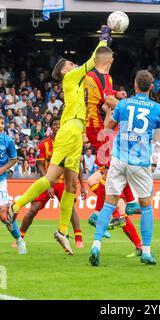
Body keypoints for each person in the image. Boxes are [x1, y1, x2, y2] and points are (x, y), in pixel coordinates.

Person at [6, 25, 113, 255]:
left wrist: (106, 45)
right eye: (70, 64)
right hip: (69, 131)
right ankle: (14, 208)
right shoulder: (72, 77)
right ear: (65, 71)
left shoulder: (76, 82)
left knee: (72, 185)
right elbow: (94, 60)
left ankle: (62, 232)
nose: (74, 66)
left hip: (76, 132)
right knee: (52, 177)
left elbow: (98, 65)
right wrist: (103, 39)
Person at [89, 70, 160, 266]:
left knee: (108, 204)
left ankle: (96, 245)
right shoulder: (157, 108)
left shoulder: (123, 104)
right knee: (146, 207)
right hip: (140, 162)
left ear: (135, 85)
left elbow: (108, 126)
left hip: (119, 159)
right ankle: (146, 252)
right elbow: (156, 137)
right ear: (151, 87)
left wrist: (109, 112)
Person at [83, 46, 143, 257]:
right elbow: (108, 102)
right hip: (99, 128)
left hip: (92, 127)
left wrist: (116, 95)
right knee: (112, 174)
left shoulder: (90, 75)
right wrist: (129, 106)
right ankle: (107, 210)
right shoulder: (105, 77)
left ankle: (137, 243)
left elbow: (105, 97)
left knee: (104, 180)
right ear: (110, 60)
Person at [18, 117, 86, 248]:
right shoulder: (44, 144)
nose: (57, 127)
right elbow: (39, 165)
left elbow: (77, 165)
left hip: (63, 182)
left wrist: (83, 185)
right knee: (34, 208)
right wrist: (48, 183)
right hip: (48, 180)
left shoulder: (71, 143)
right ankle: (20, 237)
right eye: (54, 125)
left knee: (71, 208)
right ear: (51, 128)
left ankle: (79, 239)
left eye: (59, 125)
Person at [0, 115, 26, 254]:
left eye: (2, 122)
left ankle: (19, 240)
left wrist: (2, 169)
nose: (1, 124)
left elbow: (14, 159)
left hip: (1, 180)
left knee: (4, 215)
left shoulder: (7, 140)